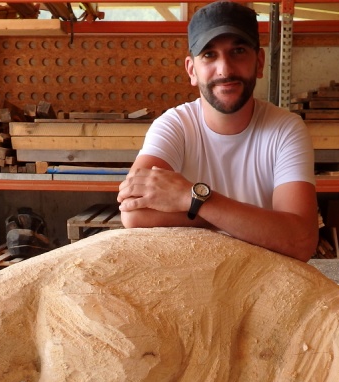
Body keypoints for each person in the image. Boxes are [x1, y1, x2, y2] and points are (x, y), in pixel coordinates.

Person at [116, 0, 318, 262]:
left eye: (238, 51)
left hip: (263, 278)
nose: (225, 69)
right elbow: (134, 212)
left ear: (259, 62)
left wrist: (191, 198)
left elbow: (301, 241)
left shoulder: (286, 130)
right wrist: (244, 223)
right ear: (192, 70)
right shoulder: (174, 126)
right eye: (209, 55)